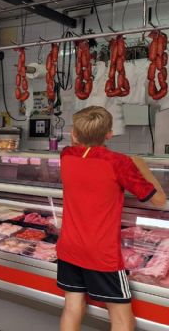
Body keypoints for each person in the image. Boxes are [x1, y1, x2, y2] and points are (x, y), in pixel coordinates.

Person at [57, 106, 166, 331]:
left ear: (74, 134)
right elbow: (158, 200)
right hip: (102, 254)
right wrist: (142, 166)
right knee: (122, 318)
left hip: (69, 248)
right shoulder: (119, 162)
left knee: (72, 307)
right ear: (110, 134)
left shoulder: (66, 155)